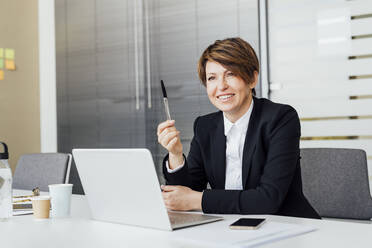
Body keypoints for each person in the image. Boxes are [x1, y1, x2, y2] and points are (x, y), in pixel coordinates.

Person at [157, 37, 320, 219]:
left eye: (231, 74)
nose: (221, 86)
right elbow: (186, 193)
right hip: (228, 227)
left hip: (286, 225)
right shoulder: (205, 126)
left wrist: (197, 200)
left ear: (252, 79)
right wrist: (175, 154)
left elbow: (268, 199)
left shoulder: (280, 118)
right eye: (212, 78)